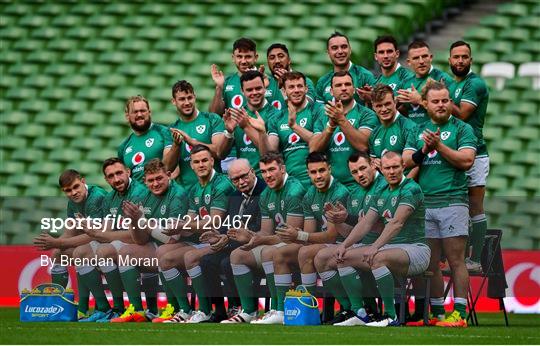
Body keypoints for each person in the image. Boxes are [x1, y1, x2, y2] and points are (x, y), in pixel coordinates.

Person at [403, 80, 477, 327]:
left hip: (452, 201)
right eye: (436, 101)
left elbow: (466, 161)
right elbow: (406, 162)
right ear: (425, 104)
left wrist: (439, 146)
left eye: (445, 100)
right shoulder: (418, 129)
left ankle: (460, 314)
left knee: (456, 260)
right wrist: (424, 149)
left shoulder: (463, 128)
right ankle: (438, 313)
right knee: (430, 262)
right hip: (426, 204)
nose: (442, 105)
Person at [333, 151, 429, 327]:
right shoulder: (382, 190)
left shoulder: (411, 188)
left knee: (377, 257)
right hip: (391, 249)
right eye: (387, 168)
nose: (391, 171)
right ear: (381, 169)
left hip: (416, 249)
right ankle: (360, 313)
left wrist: (375, 246)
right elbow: (366, 223)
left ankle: (390, 316)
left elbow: (397, 223)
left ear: (403, 167)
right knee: (342, 258)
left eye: (395, 167)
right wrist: (345, 245)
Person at [157, 144, 235, 323]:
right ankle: (184, 310)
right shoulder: (194, 189)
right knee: (164, 255)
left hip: (225, 240)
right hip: (204, 241)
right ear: (191, 165)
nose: (201, 165)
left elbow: (215, 221)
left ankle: (205, 310)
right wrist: (177, 227)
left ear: (212, 161)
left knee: (191, 257)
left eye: (205, 160)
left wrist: (184, 225)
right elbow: (190, 223)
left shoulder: (222, 184)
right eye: (196, 162)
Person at [226, 152, 306, 324]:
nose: (268, 175)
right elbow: (266, 232)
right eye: (264, 171)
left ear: (283, 169)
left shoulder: (294, 189)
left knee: (269, 252)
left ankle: (280, 310)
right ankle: (249, 311)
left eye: (272, 170)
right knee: (237, 255)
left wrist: (259, 240)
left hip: (301, 245)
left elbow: (291, 237)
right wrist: (250, 236)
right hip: (278, 244)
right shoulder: (266, 194)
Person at [109, 159, 188, 323]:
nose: (155, 183)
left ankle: (178, 309)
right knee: (126, 252)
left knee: (163, 252)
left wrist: (142, 221)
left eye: (159, 178)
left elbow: (172, 238)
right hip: (160, 247)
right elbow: (140, 240)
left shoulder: (178, 194)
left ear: (168, 175)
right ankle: (137, 311)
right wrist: (134, 221)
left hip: (184, 246)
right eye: (150, 180)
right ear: (144, 181)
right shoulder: (143, 196)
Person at [313, 152, 387, 324]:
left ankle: (360, 312)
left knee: (343, 256)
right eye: (354, 172)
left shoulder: (384, 186)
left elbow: (382, 225)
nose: (359, 175)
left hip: (386, 245)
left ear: (373, 165)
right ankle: (351, 309)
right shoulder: (354, 192)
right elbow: (351, 233)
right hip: (363, 246)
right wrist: (337, 220)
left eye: (362, 168)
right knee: (321, 258)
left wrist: (348, 218)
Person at [71, 158, 148, 322]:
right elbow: (106, 230)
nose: (116, 179)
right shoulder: (110, 197)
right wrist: (91, 229)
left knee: (103, 250)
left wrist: (102, 236)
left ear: (128, 172)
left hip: (140, 243)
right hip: (118, 242)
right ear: (106, 179)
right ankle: (104, 308)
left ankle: (121, 308)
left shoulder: (139, 192)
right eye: (111, 176)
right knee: (80, 253)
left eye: (119, 173)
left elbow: (136, 235)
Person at [197, 158, 266, 323]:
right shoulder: (234, 196)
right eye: (235, 179)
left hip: (257, 244)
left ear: (252, 172)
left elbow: (260, 227)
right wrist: (219, 236)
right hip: (235, 243)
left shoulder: (265, 191)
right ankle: (219, 310)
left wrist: (228, 238)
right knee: (206, 261)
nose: (241, 182)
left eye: (244, 176)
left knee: (227, 262)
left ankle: (245, 307)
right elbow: (228, 224)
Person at [33, 169, 107, 319]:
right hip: (96, 243)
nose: (73, 192)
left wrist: (58, 242)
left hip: (111, 241)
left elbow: (94, 235)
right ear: (63, 191)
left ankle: (98, 308)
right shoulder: (72, 203)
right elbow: (70, 231)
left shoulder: (96, 197)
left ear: (83, 182)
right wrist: (55, 244)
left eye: (76, 187)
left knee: (81, 252)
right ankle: (58, 305)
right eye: (68, 190)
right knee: (57, 255)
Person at [276, 152, 349, 302]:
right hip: (324, 244)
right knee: (279, 253)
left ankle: (308, 304)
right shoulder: (310, 194)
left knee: (304, 253)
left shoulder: (340, 192)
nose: (318, 176)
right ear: (308, 173)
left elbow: (331, 235)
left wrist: (299, 235)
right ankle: (280, 309)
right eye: (313, 172)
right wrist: (296, 234)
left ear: (330, 169)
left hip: (344, 243)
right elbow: (309, 234)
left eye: (321, 171)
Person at [448, 40, 490, 272]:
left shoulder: (475, 84)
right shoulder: (454, 84)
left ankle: (476, 260)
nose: (460, 61)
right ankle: (459, 258)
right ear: (450, 60)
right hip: (456, 152)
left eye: (465, 57)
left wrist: (440, 99)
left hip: (476, 153)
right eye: (456, 57)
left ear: (471, 60)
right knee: (457, 206)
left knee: (475, 205)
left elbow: (462, 114)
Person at [252, 71, 324, 185]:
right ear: (284, 92)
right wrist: (262, 133)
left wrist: (294, 126)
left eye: (300, 86)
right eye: (291, 87)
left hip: (316, 179)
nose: (296, 90)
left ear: (306, 89)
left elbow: (318, 143)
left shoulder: (318, 110)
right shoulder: (278, 117)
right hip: (291, 182)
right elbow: (269, 153)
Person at [310, 71, 379, 187]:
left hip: (358, 186)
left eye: (347, 84)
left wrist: (341, 120)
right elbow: (314, 150)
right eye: (338, 85)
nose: (343, 88)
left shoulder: (367, 114)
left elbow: (363, 146)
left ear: (353, 89)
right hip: (332, 187)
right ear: (331, 91)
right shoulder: (323, 116)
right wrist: (331, 126)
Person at [164, 80, 227, 189]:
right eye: (182, 99)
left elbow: (219, 151)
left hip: (215, 189)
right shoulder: (171, 130)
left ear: (195, 97)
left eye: (189, 97)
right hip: (188, 193)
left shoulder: (211, 119)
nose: (187, 102)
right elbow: (167, 168)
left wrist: (193, 142)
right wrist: (176, 145)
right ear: (173, 101)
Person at [221, 70, 280, 174]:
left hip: (266, 178)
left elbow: (269, 155)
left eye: (258, 88)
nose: (254, 93)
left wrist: (246, 127)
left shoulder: (276, 115)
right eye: (249, 90)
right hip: (243, 179)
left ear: (264, 88)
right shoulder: (237, 114)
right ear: (242, 91)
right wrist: (229, 133)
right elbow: (221, 155)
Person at [396, 41, 454, 125]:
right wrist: (396, 104)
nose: (421, 61)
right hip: (412, 134)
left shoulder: (443, 79)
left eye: (424, 56)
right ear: (409, 62)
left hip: (435, 133)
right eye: (416, 58)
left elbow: (452, 111)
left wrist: (420, 100)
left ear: (431, 57)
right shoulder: (405, 83)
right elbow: (406, 112)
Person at [117, 95, 174, 182]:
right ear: (127, 116)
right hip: (138, 195)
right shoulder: (123, 147)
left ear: (149, 112)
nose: (139, 114)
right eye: (135, 112)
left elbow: (171, 165)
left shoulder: (164, 132)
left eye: (142, 111)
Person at [315, 31, 376, 105]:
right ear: (328, 52)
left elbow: (379, 104)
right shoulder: (322, 82)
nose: (340, 51)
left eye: (344, 47)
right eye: (334, 48)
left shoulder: (365, 76)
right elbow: (319, 112)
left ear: (350, 50)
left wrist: (372, 98)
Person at [369, 84, 417, 168]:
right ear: (373, 106)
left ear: (395, 102)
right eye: (379, 106)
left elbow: (416, 165)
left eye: (387, 104)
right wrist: (374, 163)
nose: (384, 109)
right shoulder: (374, 133)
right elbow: (372, 162)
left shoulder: (409, 127)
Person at [359, 35, 414, 104]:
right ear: (376, 56)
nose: (386, 56)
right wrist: (369, 100)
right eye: (381, 52)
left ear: (397, 54)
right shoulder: (376, 83)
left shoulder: (407, 77)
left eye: (389, 51)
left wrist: (374, 97)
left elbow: (405, 107)